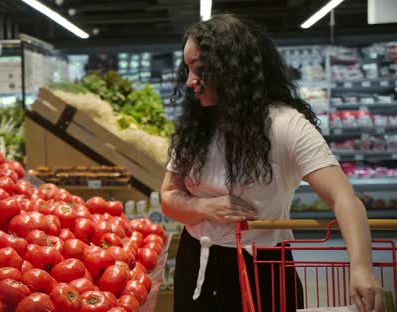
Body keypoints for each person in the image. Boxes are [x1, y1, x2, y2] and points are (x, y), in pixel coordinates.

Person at [160, 14, 384, 312]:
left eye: (198, 69)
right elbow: (167, 197)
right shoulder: (194, 127)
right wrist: (205, 207)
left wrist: (361, 268)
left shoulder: (286, 125)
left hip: (265, 267)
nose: (189, 82)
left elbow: (343, 197)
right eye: (186, 69)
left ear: (230, 68)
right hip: (196, 260)